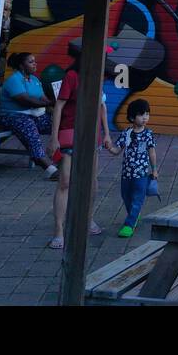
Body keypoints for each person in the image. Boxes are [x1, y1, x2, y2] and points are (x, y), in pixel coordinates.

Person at [46, 41, 116, 249]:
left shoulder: (98, 77)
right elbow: (59, 106)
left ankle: (87, 218)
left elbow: (102, 106)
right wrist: (54, 137)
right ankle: (59, 230)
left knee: (91, 181)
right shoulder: (71, 76)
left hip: (91, 135)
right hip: (70, 132)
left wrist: (107, 134)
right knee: (65, 181)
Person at [0, 51, 57, 177]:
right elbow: (26, 101)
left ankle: (63, 159)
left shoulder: (34, 79)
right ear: (21, 66)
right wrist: (50, 103)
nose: (35, 64)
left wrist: (55, 104)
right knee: (31, 131)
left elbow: (43, 99)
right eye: (31, 62)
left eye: (34, 61)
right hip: (13, 116)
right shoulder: (14, 80)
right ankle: (49, 169)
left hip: (34, 115)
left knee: (59, 125)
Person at [113, 98, 157, 238]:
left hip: (142, 173)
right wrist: (109, 147)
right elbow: (117, 150)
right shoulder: (126, 133)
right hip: (126, 174)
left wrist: (154, 169)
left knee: (138, 198)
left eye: (147, 114)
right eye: (141, 114)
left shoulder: (148, 134)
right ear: (132, 117)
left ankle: (129, 224)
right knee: (126, 197)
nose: (145, 117)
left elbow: (152, 152)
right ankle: (134, 215)